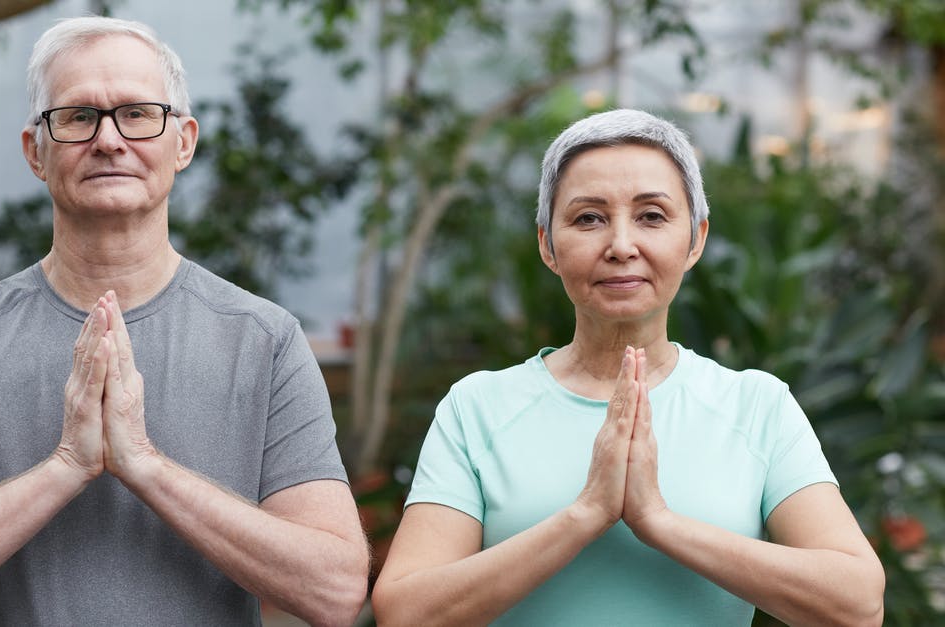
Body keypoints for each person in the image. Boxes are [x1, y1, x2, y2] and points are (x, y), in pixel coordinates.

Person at [0, 16, 368, 626]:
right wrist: (65, 467)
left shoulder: (264, 341)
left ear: (183, 142)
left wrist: (144, 465)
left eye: (138, 113)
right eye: (78, 117)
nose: (110, 140)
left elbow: (335, 590)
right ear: (36, 150)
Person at [371, 109, 885, 626]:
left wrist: (659, 521)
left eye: (652, 216)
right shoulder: (477, 408)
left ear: (696, 240)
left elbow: (857, 605)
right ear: (548, 244)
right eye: (588, 218)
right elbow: (406, 613)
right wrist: (585, 514)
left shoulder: (757, 407)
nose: (620, 246)